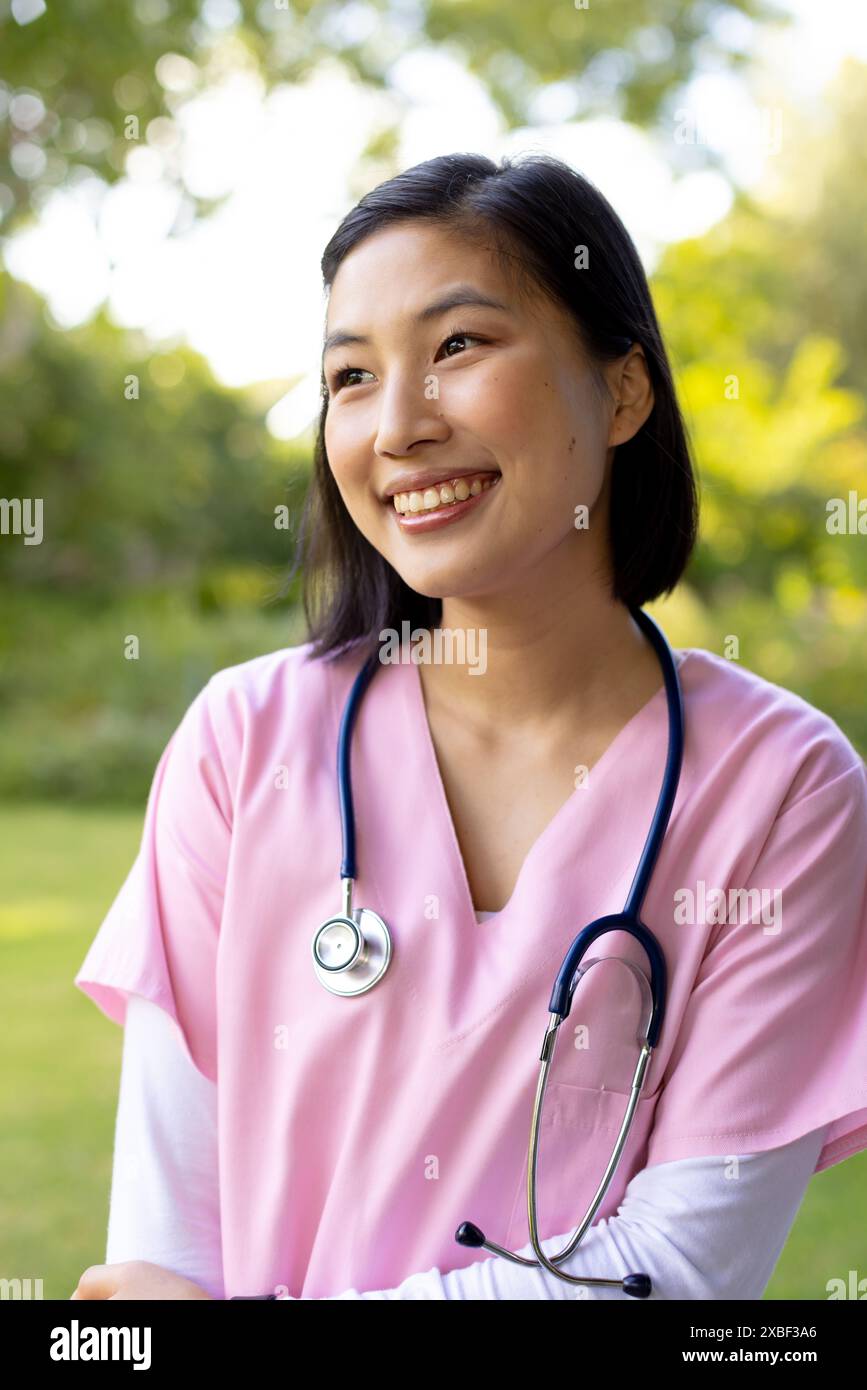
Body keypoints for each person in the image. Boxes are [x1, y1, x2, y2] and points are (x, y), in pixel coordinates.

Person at [70, 152, 867, 1303]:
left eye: (457, 347)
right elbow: (160, 1257)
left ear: (626, 391)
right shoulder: (245, 742)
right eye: (350, 375)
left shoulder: (783, 786)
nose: (397, 426)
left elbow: (679, 1274)